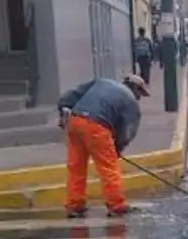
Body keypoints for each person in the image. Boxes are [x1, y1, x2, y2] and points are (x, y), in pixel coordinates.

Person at [58, 74, 150, 218]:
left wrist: (63, 111)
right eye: (140, 93)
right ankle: (116, 205)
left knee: (76, 167)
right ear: (135, 88)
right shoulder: (130, 102)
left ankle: (74, 205)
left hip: (74, 121)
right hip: (97, 126)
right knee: (108, 167)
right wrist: (117, 149)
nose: (139, 97)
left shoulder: (102, 82)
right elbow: (127, 132)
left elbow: (69, 97)